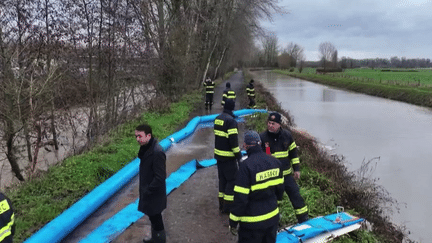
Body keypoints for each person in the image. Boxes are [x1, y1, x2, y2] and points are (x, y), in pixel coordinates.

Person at [229, 131, 284, 243]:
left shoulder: (245, 166)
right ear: (260, 143)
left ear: (245, 145)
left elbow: (240, 199)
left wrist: (233, 222)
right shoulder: (275, 162)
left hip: (251, 224)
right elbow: (280, 191)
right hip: (272, 218)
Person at [259, 112, 309, 223]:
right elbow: (258, 157)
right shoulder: (262, 137)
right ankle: (273, 223)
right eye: (269, 123)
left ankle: (304, 220)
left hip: (287, 176)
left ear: (279, 125)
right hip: (272, 177)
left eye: (273, 123)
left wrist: (296, 169)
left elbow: (293, 153)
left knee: (296, 197)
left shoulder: (287, 136)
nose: (270, 125)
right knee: (272, 201)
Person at [135, 124, 167, 243]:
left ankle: (159, 240)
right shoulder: (146, 148)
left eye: (140, 136)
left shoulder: (157, 152)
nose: (138, 139)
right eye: (136, 136)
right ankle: (155, 238)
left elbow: (160, 177)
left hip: (154, 193)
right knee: (153, 217)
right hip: (149, 190)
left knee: (156, 217)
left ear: (148, 136)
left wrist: (148, 190)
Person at [214, 98, 241, 213]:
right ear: (233, 107)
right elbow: (233, 143)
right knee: (232, 180)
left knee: (222, 180)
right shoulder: (231, 122)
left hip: (218, 156)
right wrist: (239, 156)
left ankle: (221, 204)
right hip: (229, 157)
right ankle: (228, 207)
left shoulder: (217, 119)